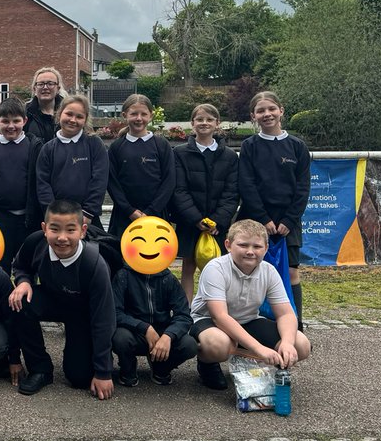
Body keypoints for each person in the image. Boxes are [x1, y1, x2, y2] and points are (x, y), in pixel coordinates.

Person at [8, 199, 115, 398]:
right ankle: (40, 369)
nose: (62, 238)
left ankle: (91, 359)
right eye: (55, 229)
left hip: (82, 312)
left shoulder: (95, 265)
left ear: (83, 231)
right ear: (44, 228)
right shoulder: (35, 242)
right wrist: (24, 281)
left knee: (79, 378)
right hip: (52, 300)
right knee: (19, 301)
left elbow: (104, 319)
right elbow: (21, 265)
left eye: (70, 230)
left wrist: (103, 372)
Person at [189, 219, 312, 390]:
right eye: (243, 245)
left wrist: (287, 343)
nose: (250, 252)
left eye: (257, 247)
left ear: (266, 248)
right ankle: (207, 363)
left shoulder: (269, 271)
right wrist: (259, 349)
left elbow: (285, 314)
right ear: (228, 245)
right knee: (219, 344)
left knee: (301, 345)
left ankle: (256, 362)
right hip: (208, 321)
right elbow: (220, 317)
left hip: (248, 320)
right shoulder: (215, 268)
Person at [236, 91, 311, 319]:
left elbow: (302, 188)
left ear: (281, 111)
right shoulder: (249, 146)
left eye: (271, 109)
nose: (267, 114)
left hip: (288, 222)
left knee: (290, 272)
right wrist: (263, 219)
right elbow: (246, 185)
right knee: (250, 270)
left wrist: (289, 219)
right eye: (261, 111)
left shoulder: (297, 146)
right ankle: (251, 324)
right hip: (255, 220)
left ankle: (294, 326)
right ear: (253, 116)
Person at [172, 103, 239, 301]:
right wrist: (195, 218)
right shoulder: (180, 153)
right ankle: (187, 311)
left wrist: (218, 221)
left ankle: (215, 310)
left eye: (209, 119)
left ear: (217, 123)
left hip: (218, 224)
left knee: (217, 269)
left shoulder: (229, 156)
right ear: (192, 123)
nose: (204, 123)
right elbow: (179, 189)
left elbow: (232, 192)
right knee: (188, 266)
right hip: (189, 220)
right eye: (199, 119)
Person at [111, 244, 196, 386]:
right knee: (120, 338)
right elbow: (115, 312)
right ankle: (128, 368)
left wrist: (169, 335)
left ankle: (161, 368)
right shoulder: (123, 275)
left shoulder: (168, 278)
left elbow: (184, 316)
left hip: (162, 334)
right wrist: (144, 328)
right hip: (134, 332)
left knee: (189, 345)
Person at [0, 96, 41, 270]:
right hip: (0, 218)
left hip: (28, 220)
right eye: (5, 121)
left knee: (27, 268)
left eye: (16, 121)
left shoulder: (35, 146)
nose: (11, 126)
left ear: (25, 121)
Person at [35, 95, 109, 230]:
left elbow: (100, 180)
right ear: (59, 114)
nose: (73, 120)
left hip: (87, 219)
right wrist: (52, 214)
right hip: (57, 220)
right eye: (69, 114)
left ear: (85, 120)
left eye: (79, 117)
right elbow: (43, 184)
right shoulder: (48, 149)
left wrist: (88, 213)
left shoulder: (94, 144)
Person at [107, 93, 175, 237]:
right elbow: (112, 183)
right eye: (134, 114)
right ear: (125, 115)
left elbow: (169, 180)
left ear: (151, 115)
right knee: (122, 258)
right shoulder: (116, 147)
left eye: (143, 114)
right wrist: (129, 211)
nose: (139, 118)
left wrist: (151, 211)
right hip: (124, 216)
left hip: (156, 215)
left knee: (154, 257)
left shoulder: (161, 145)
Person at [24, 67, 64, 145]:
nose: (45, 87)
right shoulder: (25, 113)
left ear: (58, 88)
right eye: (41, 84)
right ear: (34, 88)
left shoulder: (68, 112)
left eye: (50, 84)